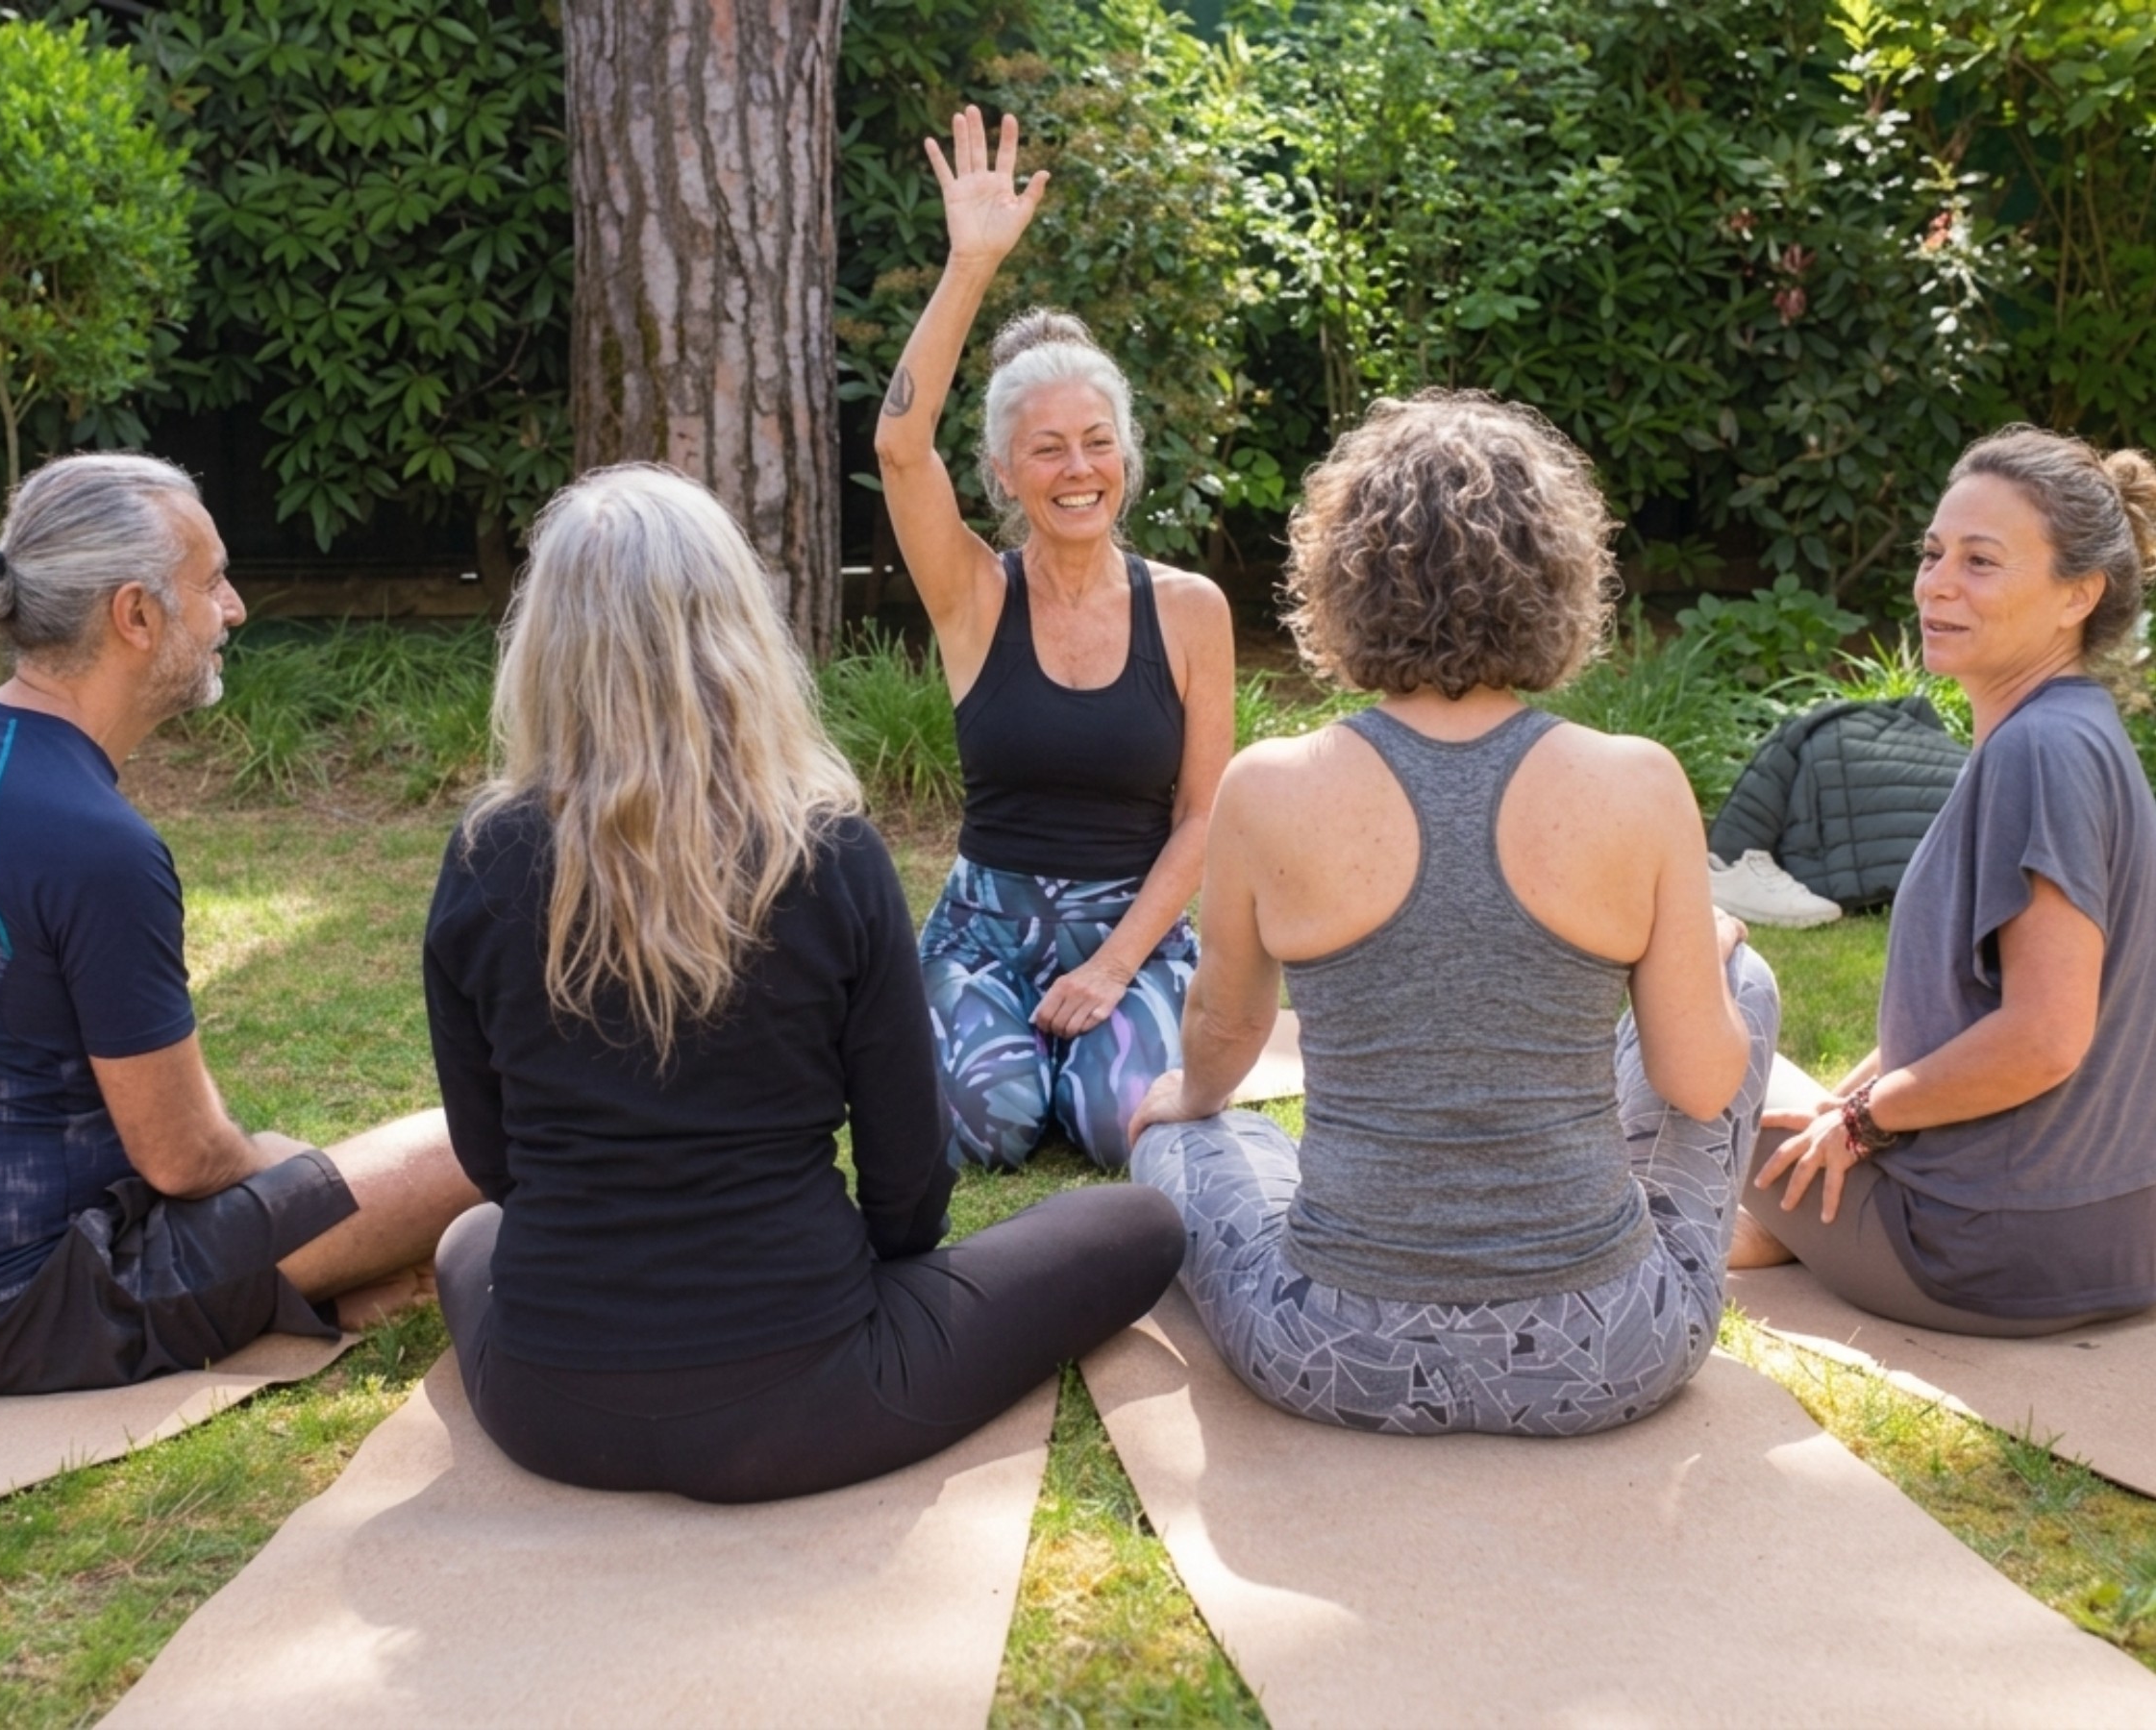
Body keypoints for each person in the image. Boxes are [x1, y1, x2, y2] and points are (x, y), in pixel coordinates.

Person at [424, 465, 1183, 1503]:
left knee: (471, 1240)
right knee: (1138, 1227)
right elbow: (908, 1187)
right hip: (806, 1398)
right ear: (738, 629)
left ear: (545, 647)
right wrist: (859, 1275)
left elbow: (493, 1166)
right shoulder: (826, 851)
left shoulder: (482, 858)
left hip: (551, 1405)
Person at [1128, 390, 1781, 1436]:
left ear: (1344, 578)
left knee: (1177, 1140)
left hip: (1338, 1353)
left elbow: (1225, 1036)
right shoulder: (1640, 782)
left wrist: (1182, 1099)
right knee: (1740, 975)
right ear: (1557, 576)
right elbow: (1700, 1081)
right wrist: (1699, 964)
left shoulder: (1267, 786)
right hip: (1604, 1353)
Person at [0, 454, 477, 1396]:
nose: (235, 609)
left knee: (329, 1186)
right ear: (136, 616)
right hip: (8, 1317)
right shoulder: (94, 842)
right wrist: (285, 1170)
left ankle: (322, 1289)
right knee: (465, 1150)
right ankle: (318, 1287)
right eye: (212, 581)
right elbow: (185, 1161)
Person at [872, 107, 1236, 1172]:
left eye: (1097, 444)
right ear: (1003, 474)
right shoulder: (974, 598)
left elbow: (1205, 815)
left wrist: (1117, 966)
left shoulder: (1190, 608)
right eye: (1047, 451)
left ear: (1126, 456)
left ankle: (1100, 1043)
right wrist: (970, 265)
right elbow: (899, 445)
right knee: (986, 1126)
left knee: (1120, 1123)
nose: (1078, 469)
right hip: (985, 934)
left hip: (1135, 931)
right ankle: (1003, 1046)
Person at [1737, 427, 2156, 1335]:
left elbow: (2045, 1037)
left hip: (1987, 1250)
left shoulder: (2041, 752)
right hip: (2101, 1238)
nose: (1936, 583)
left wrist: (1861, 1126)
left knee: (1692, 1035)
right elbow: (1965, 1014)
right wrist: (1853, 1110)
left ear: (2077, 595)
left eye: (1981, 562)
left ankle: (1706, 1233)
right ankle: (1774, 1228)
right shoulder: (2067, 731)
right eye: (1933, 553)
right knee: (1763, 1088)